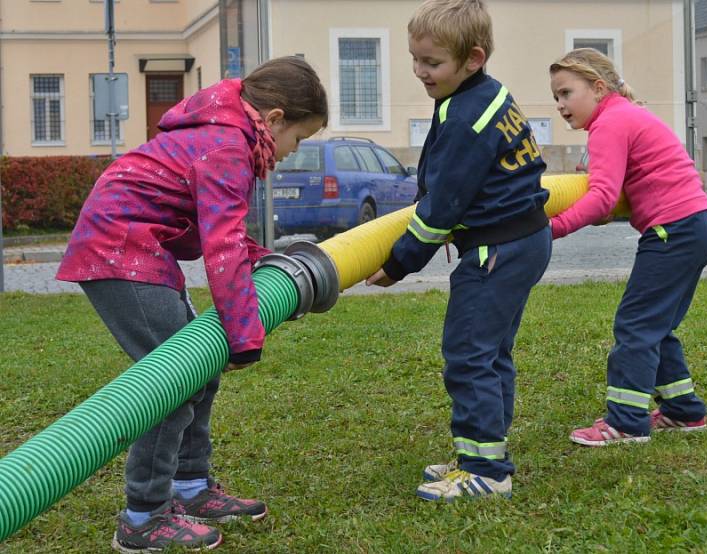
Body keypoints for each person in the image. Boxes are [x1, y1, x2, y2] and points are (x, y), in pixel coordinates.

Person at [56, 56, 327, 551]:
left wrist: (265, 259)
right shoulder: (228, 146)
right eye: (299, 139)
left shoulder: (225, 135)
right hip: (118, 251)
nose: (292, 152)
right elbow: (221, 247)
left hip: (141, 249)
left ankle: (190, 486)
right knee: (171, 384)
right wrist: (245, 335)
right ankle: (143, 517)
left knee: (197, 372)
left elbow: (221, 232)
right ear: (274, 119)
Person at [366, 0, 552, 501]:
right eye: (415, 59)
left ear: (472, 57)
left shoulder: (468, 115)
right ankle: (483, 449)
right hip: (521, 239)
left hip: (498, 248)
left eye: (431, 63)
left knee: (468, 354)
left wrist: (398, 263)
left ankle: (486, 471)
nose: (419, 72)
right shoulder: (482, 94)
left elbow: (443, 206)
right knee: (491, 352)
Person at [548, 48, 707, 447]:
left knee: (636, 325)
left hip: (672, 231)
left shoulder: (610, 123)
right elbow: (627, 184)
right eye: (555, 97)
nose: (560, 105)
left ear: (598, 88)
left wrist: (553, 228)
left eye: (566, 93)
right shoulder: (626, 115)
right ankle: (684, 411)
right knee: (656, 326)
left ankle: (625, 422)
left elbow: (603, 197)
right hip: (694, 226)